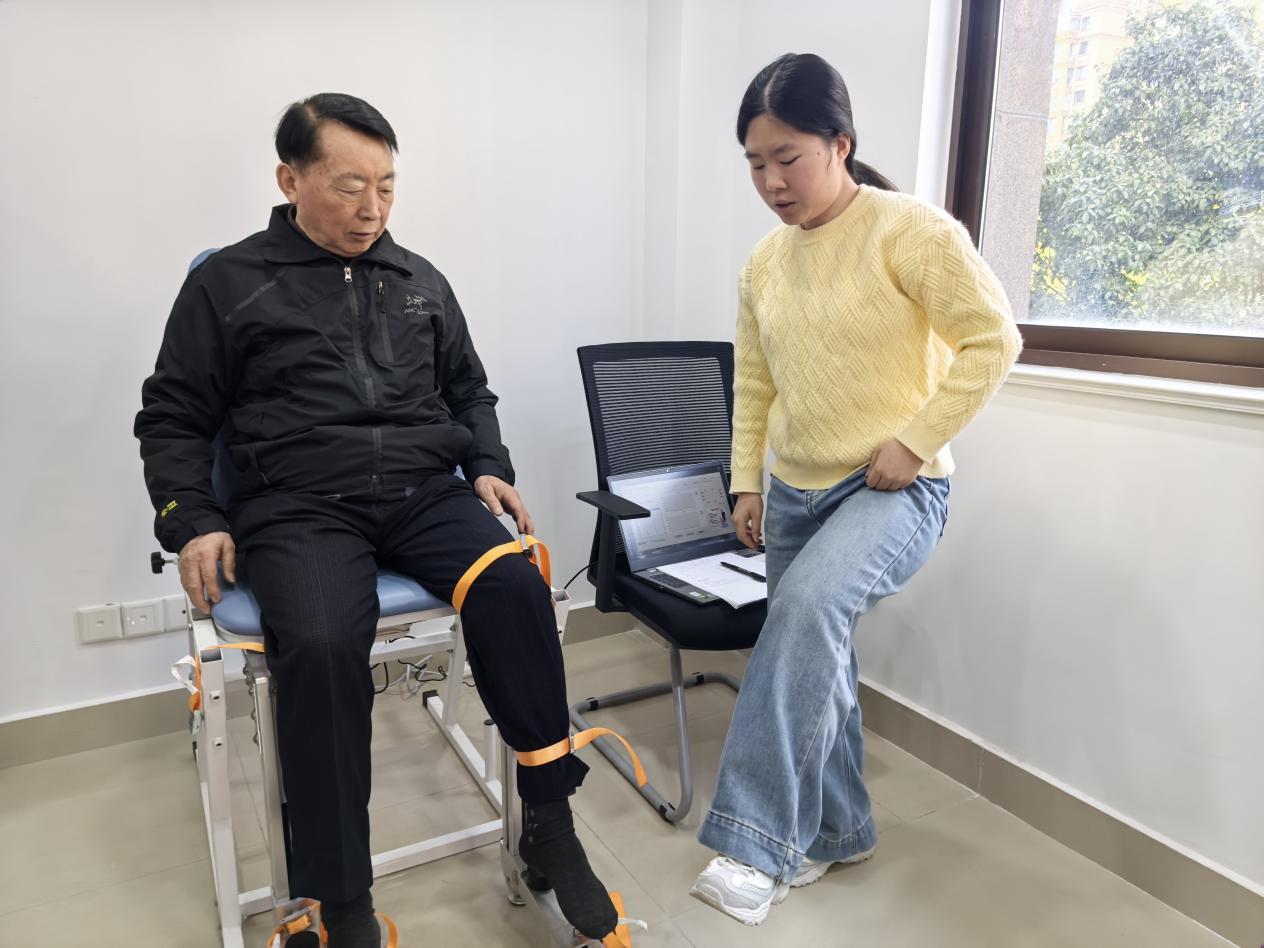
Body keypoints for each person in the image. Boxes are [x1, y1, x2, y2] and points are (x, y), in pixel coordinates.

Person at [135, 93, 618, 946]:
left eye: (388, 187)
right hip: (297, 504)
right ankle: (340, 897)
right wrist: (194, 520)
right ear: (290, 179)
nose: (372, 209)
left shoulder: (418, 279)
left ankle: (550, 822)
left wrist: (488, 465)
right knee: (322, 644)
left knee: (516, 589)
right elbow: (173, 417)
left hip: (422, 494)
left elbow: (469, 390)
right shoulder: (227, 284)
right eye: (350, 186)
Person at [689, 53, 1022, 926]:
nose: (771, 182)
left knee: (804, 616)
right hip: (794, 496)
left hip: (892, 489)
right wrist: (746, 483)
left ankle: (753, 842)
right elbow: (755, 383)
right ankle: (839, 833)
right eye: (755, 163)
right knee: (820, 656)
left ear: (840, 144)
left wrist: (916, 441)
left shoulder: (912, 232)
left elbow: (994, 341)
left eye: (787, 158)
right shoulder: (764, 263)